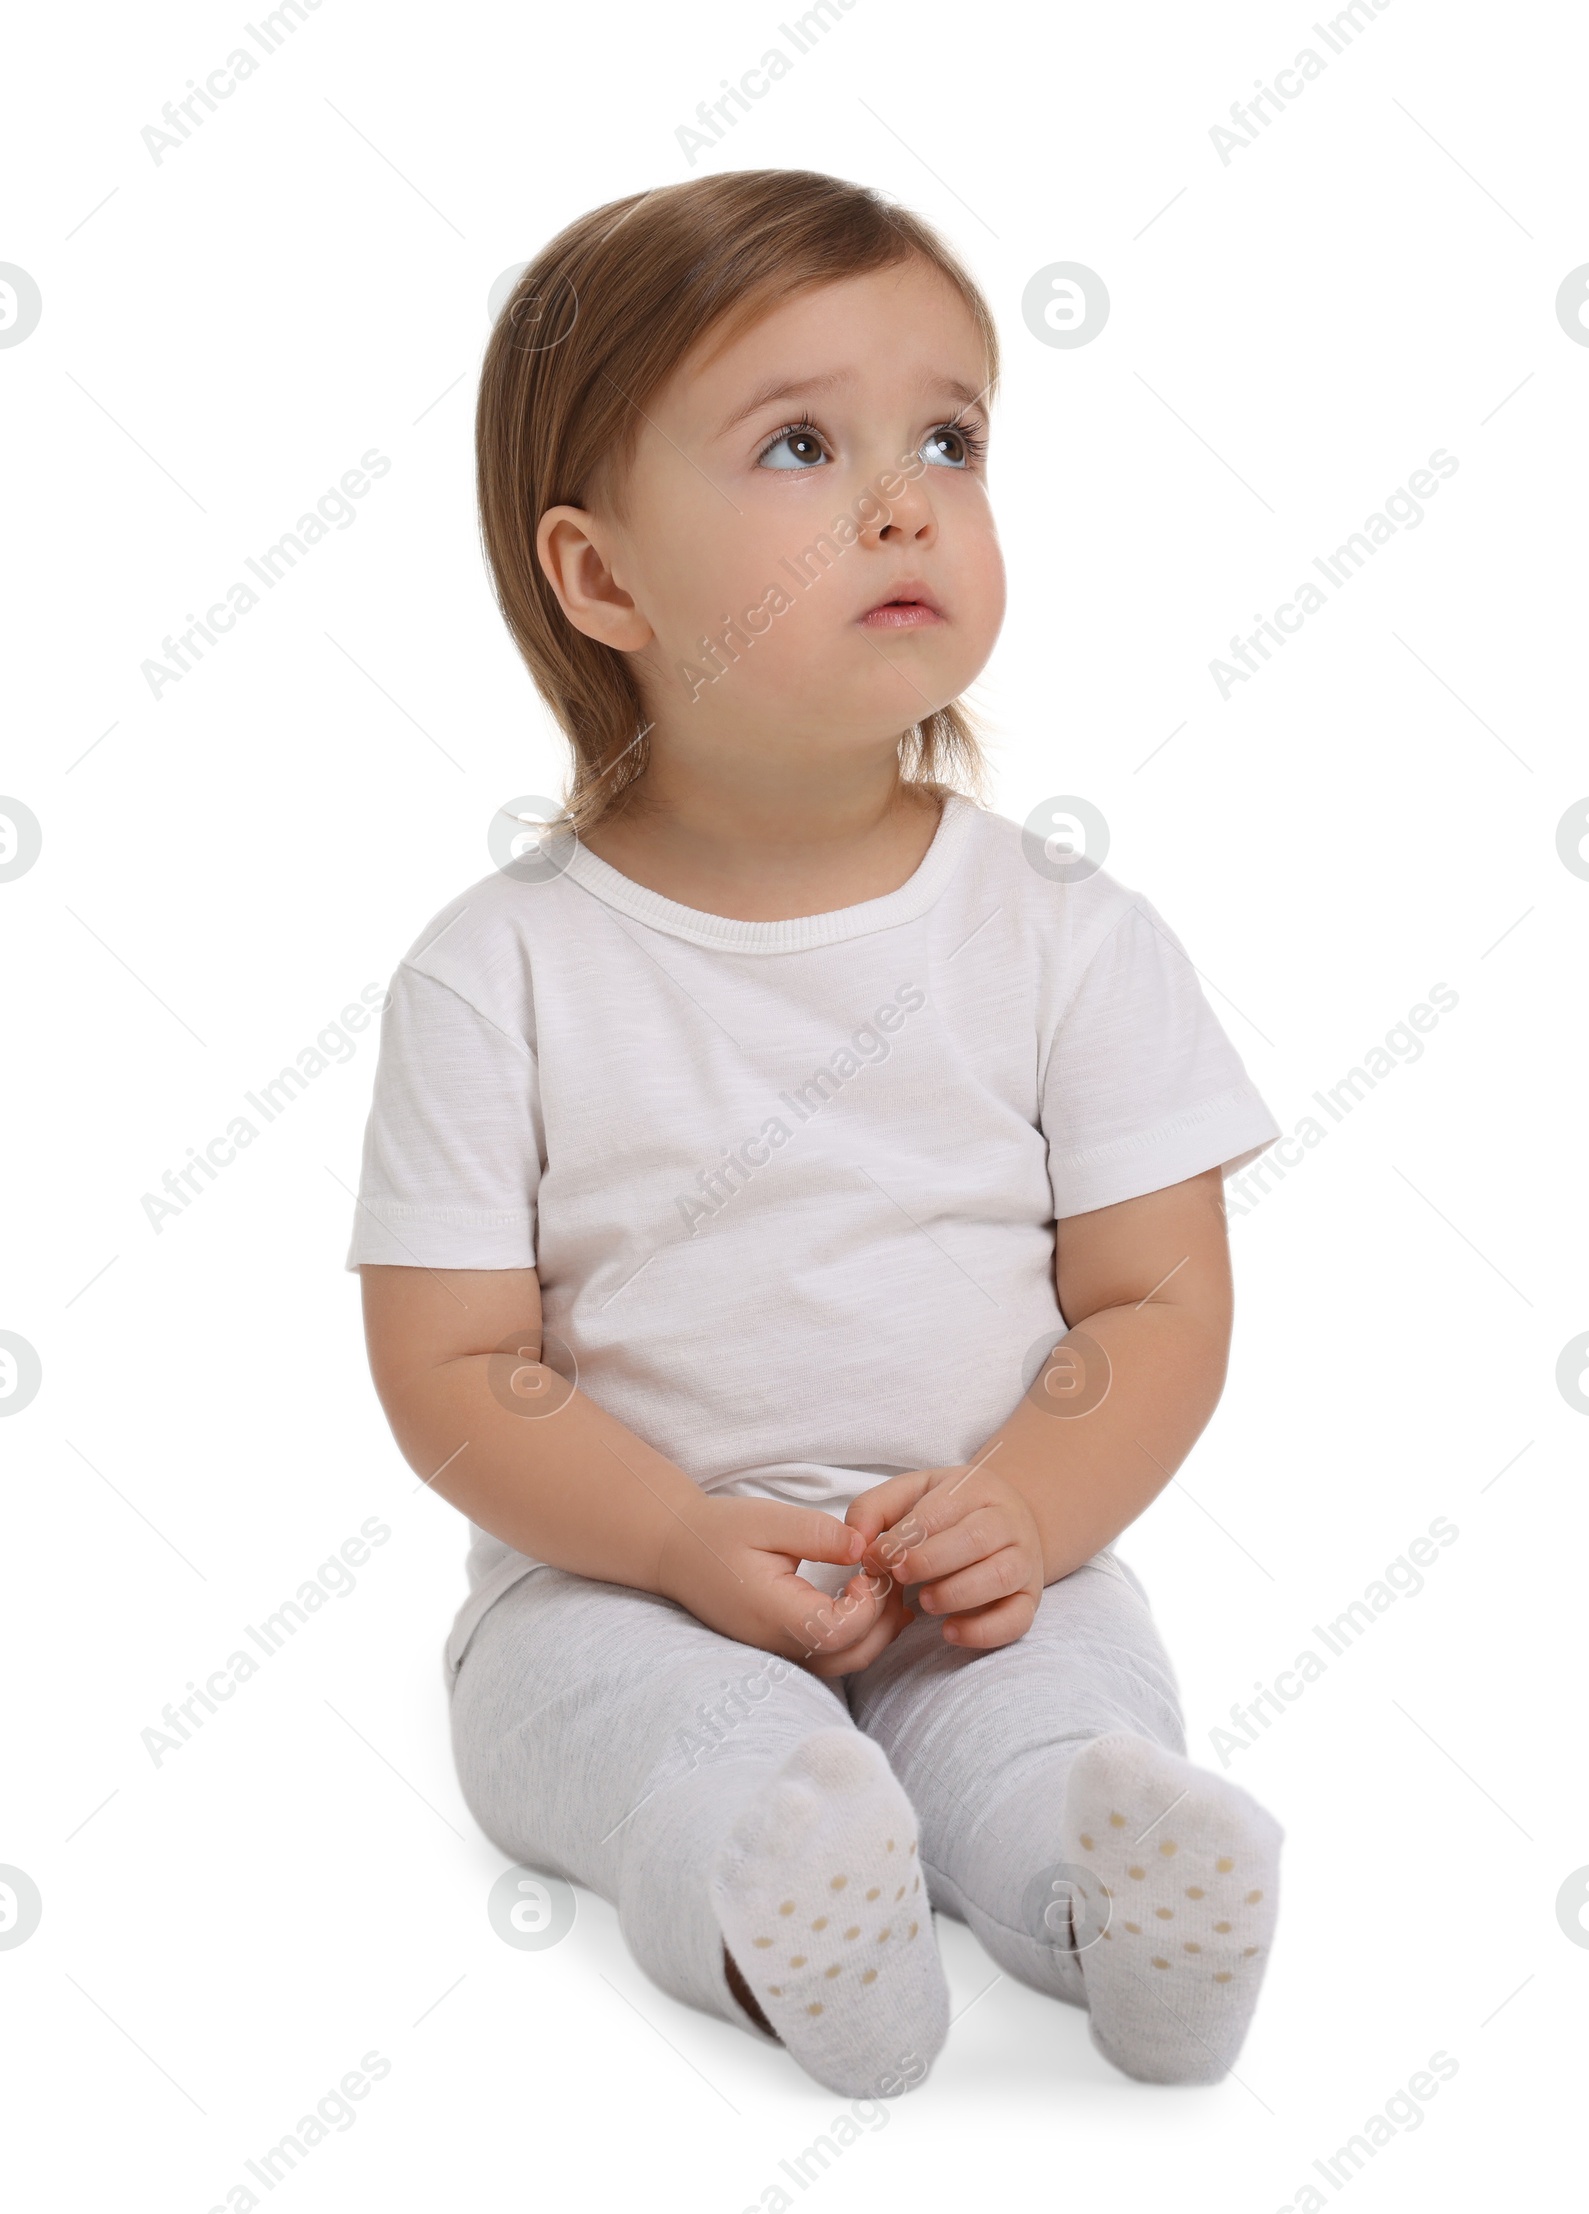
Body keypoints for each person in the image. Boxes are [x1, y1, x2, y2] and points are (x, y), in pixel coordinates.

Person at [348, 168, 1284, 2101]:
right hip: (607, 1584)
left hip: (985, 1563)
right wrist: (679, 1539)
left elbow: (1159, 1302)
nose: (904, 496)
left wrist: (1026, 1508)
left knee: (1053, 1717)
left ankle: (1126, 1915)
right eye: (799, 442)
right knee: (662, 1750)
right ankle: (795, 1922)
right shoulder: (494, 973)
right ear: (601, 580)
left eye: (950, 436)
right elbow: (451, 1370)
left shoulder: (1069, 938)